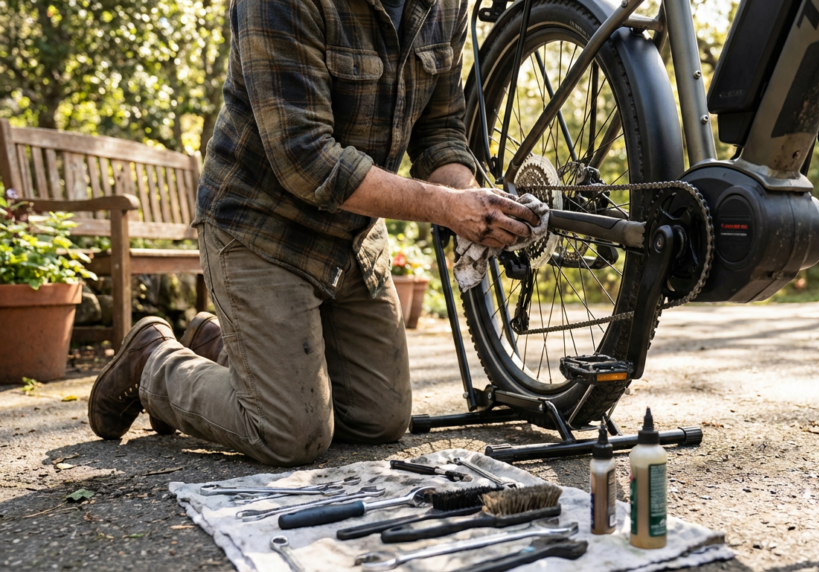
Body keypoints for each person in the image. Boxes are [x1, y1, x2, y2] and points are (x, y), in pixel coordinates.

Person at [86, 0, 540, 466]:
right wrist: (446, 207)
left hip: (353, 238)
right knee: (290, 434)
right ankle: (154, 362)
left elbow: (440, 130)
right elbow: (305, 157)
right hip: (261, 226)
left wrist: (474, 203)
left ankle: (222, 348)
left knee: (379, 419)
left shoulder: (445, 6)